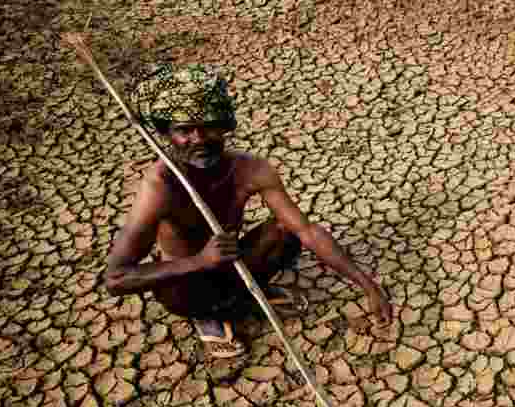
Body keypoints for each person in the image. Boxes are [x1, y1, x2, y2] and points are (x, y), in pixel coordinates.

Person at [105, 64, 392, 358]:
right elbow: (115, 278)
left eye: (210, 125)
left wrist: (366, 285)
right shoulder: (160, 187)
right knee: (172, 288)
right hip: (190, 284)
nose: (199, 138)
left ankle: (242, 295)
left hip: (234, 263)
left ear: (226, 125)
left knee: (285, 231)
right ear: (167, 134)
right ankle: (212, 313)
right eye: (184, 130)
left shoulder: (250, 169)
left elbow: (307, 231)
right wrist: (200, 261)